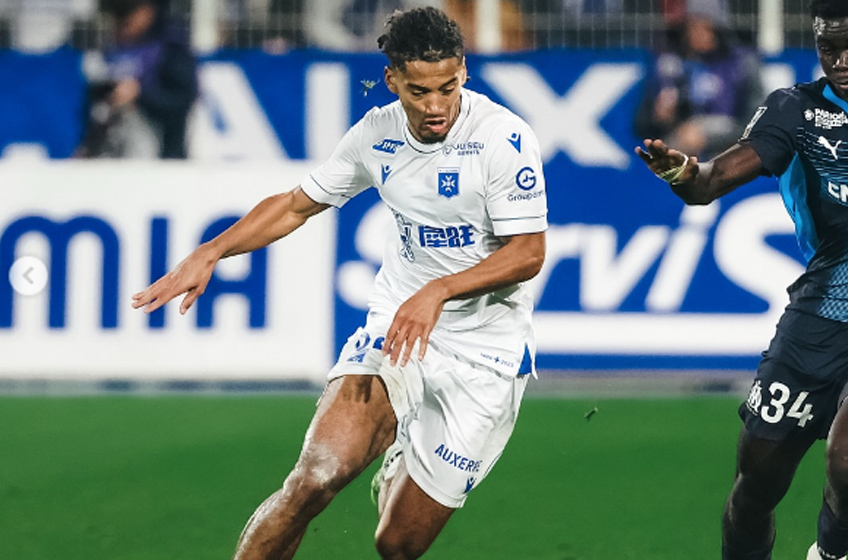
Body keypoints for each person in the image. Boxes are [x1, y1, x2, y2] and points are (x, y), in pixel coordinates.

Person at [132, 7, 548, 560]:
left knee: (397, 544)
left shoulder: (503, 138)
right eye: (419, 91)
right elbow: (295, 205)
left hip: (487, 353)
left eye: (448, 88)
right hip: (396, 330)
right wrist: (211, 251)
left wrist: (440, 290)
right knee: (315, 477)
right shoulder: (376, 135)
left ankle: (400, 459)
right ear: (392, 79)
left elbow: (528, 253)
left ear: (464, 72)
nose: (435, 106)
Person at [636, 1, 848, 559]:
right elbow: (710, 183)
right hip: (822, 314)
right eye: (829, 48)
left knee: (847, 459)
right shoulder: (796, 111)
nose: (841, 60)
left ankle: (829, 553)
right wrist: (685, 173)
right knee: (755, 487)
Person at [634, 0, 762, 160]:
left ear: (718, 29)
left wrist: (708, 139)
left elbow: (756, 123)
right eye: (692, 27)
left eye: (704, 27)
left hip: (729, 151)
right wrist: (659, 116)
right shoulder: (672, 66)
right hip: (684, 148)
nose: (697, 34)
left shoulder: (742, 64)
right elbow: (640, 124)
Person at [76, 0, 197, 159]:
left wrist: (140, 95)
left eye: (128, 14)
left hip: (161, 156)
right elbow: (94, 108)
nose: (121, 21)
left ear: (148, 11)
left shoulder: (171, 48)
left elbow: (181, 102)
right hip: (113, 154)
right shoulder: (110, 49)